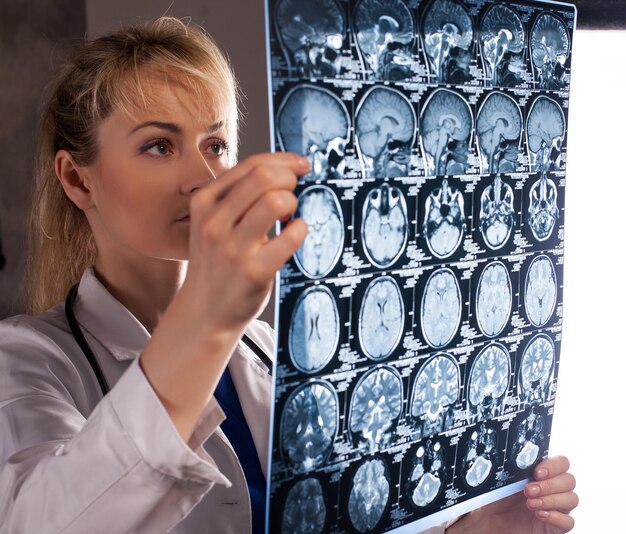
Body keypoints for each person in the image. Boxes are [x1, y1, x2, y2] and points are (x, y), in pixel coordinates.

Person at [0, 17, 577, 534]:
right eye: (158, 145)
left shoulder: (268, 349)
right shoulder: (28, 360)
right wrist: (206, 320)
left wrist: (469, 532)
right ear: (77, 180)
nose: (203, 177)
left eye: (216, 143)